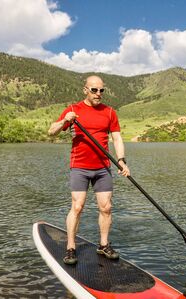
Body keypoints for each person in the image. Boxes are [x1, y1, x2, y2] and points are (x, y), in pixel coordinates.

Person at [48, 75, 130, 265]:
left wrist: (121, 161)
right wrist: (64, 121)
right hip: (80, 167)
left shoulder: (110, 112)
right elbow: (51, 131)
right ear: (85, 90)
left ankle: (103, 245)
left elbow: (117, 138)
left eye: (102, 90)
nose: (98, 94)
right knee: (77, 207)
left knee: (106, 207)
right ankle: (70, 247)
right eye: (94, 90)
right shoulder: (73, 110)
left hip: (103, 168)